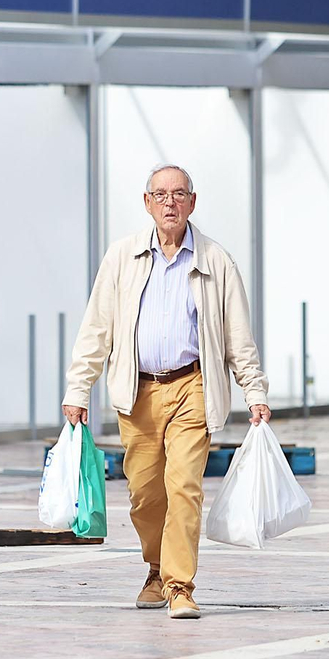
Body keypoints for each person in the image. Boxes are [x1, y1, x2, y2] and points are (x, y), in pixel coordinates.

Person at [62, 165, 270, 621]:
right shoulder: (122, 257)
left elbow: (238, 335)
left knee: (184, 487)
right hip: (138, 391)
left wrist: (254, 391)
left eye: (179, 194)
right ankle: (155, 569)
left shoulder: (216, 260)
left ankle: (179, 586)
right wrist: (79, 388)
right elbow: (96, 327)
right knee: (145, 493)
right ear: (147, 202)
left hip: (192, 386)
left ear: (192, 202)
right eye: (161, 195)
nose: (170, 203)